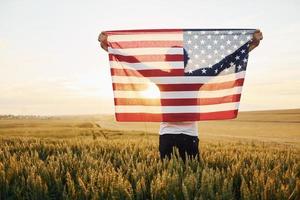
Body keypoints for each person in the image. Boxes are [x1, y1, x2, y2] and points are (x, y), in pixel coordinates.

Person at [98, 29, 263, 161]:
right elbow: (224, 63)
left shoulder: (160, 77)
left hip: (167, 135)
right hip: (190, 136)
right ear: (186, 61)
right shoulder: (196, 77)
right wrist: (251, 44)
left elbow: (133, 62)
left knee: (168, 177)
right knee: (191, 175)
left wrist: (108, 46)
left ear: (167, 61)